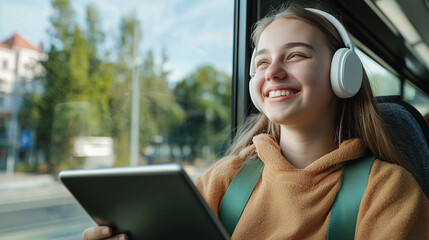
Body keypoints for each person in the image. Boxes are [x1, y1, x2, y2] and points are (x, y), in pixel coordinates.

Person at [82, 3, 429, 240]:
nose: (274, 73)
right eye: (262, 63)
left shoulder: (389, 193)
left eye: (295, 55)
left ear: (343, 73)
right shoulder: (224, 180)